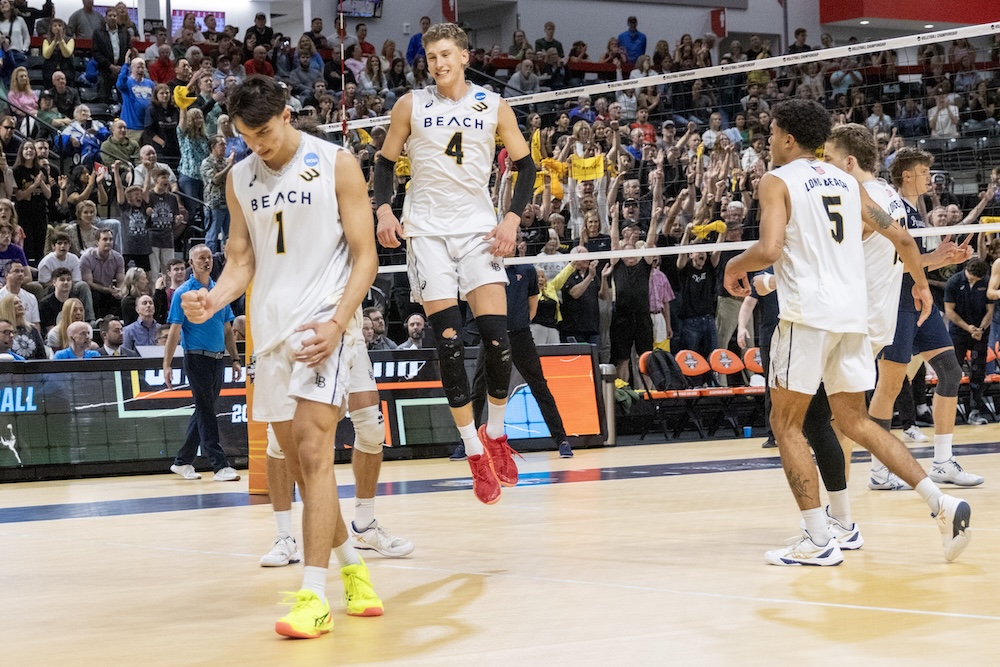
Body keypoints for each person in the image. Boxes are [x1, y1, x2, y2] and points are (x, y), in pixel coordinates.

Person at [723, 99, 972, 566]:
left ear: (788, 138)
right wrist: (921, 286)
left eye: (773, 133)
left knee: (786, 424)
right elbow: (901, 237)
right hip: (853, 319)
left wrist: (735, 264)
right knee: (855, 422)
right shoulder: (845, 181)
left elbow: (770, 247)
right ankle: (941, 503)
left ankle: (818, 540)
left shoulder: (776, 182)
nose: (769, 141)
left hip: (806, 316)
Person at [181, 75, 383, 638]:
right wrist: (213, 300)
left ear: (288, 115)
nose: (258, 145)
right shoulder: (238, 178)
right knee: (299, 463)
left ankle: (313, 597)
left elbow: (365, 257)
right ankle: (354, 570)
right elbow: (241, 261)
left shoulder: (337, 162)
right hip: (267, 332)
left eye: (265, 132)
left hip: (323, 324)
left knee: (315, 449)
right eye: (247, 136)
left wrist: (339, 322)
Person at [376, 23, 534, 506]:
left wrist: (511, 218)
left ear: (465, 56)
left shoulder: (493, 104)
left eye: (447, 54)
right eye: (432, 56)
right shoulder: (411, 104)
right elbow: (384, 162)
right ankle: (472, 454)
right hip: (425, 233)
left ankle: (497, 434)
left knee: (496, 337)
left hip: (478, 230)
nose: (439, 63)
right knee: (447, 343)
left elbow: (526, 165)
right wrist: (383, 208)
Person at [866, 147, 984, 490]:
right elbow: (892, 260)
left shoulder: (915, 212)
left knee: (950, 371)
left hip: (921, 300)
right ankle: (878, 470)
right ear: (906, 174)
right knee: (889, 385)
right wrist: (935, 257)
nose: (929, 179)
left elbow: (917, 261)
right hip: (895, 301)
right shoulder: (889, 205)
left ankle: (943, 461)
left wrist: (946, 257)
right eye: (923, 172)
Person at [162, 244, 241, 483]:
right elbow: (174, 331)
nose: (206, 261)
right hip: (196, 358)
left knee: (203, 410)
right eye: (201, 258)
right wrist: (167, 364)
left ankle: (182, 461)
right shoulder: (183, 293)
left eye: (209, 257)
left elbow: (228, 329)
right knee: (207, 410)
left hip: (218, 359)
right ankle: (219, 466)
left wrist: (235, 359)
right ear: (191, 263)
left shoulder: (220, 291)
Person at [944, 259, 992, 425]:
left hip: (980, 332)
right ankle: (948, 411)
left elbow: (990, 310)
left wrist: (981, 328)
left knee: (978, 372)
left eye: (976, 281)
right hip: (959, 332)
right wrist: (967, 328)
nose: (973, 282)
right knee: (953, 371)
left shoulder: (986, 281)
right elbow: (949, 311)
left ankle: (975, 410)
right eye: (971, 278)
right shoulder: (954, 282)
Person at [80, 228, 124, 318]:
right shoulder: (86, 258)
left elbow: (121, 280)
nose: (108, 242)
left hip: (110, 290)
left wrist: (119, 291)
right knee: (96, 296)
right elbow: (89, 283)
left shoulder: (118, 258)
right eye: (105, 239)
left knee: (123, 298)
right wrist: (107, 290)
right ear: (97, 242)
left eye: (111, 239)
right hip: (93, 291)